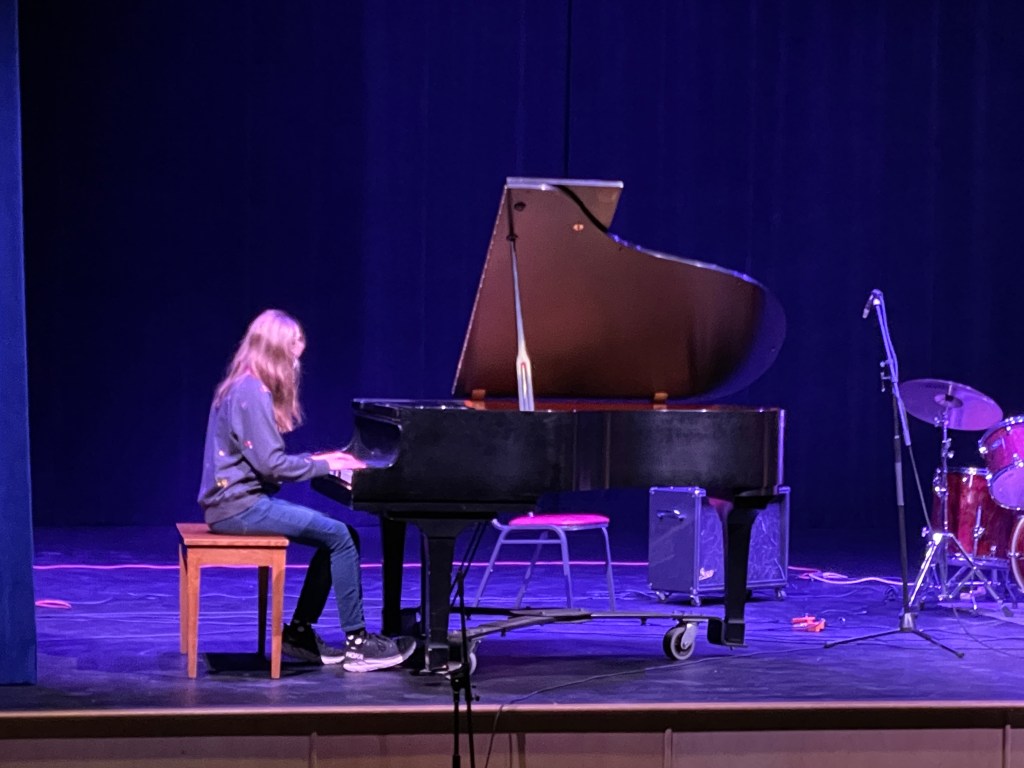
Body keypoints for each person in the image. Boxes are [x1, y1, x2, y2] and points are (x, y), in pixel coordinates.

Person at [197, 308, 414, 672]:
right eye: (292, 358)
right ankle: (358, 643)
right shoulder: (251, 391)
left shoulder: (243, 386)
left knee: (340, 536)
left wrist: (319, 459)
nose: (295, 368)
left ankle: (299, 633)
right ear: (275, 353)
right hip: (239, 507)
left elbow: (267, 461)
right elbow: (272, 465)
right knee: (340, 536)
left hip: (237, 503)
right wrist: (326, 464)